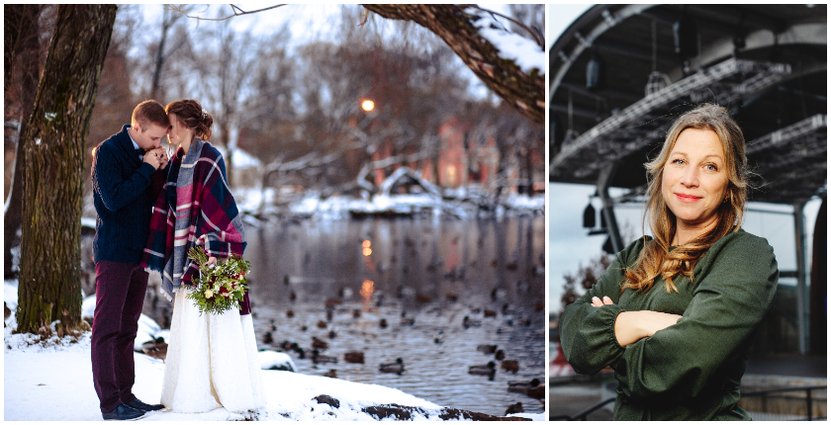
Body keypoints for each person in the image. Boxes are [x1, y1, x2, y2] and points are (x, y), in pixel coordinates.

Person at [559, 103, 778, 420]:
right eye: (679, 161)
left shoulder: (746, 254)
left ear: (729, 184)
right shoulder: (636, 254)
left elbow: (682, 363)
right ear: (663, 170)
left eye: (710, 167)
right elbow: (574, 339)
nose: (689, 179)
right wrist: (642, 322)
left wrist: (610, 340)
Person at [141, 99, 264, 418]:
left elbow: (219, 207)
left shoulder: (209, 157)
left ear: (185, 124)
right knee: (191, 322)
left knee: (215, 319)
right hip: (183, 250)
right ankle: (193, 392)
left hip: (207, 250)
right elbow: (169, 205)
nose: (167, 131)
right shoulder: (175, 160)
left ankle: (227, 389)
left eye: (171, 124)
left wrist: (208, 249)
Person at [91, 100, 170, 420]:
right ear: (137, 127)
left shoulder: (147, 155)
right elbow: (113, 200)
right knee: (107, 329)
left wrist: (160, 170)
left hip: (139, 253)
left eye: (161, 139)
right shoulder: (108, 152)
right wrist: (147, 168)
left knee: (127, 329)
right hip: (113, 252)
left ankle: (126, 394)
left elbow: (152, 197)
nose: (158, 143)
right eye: (154, 138)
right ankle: (110, 404)